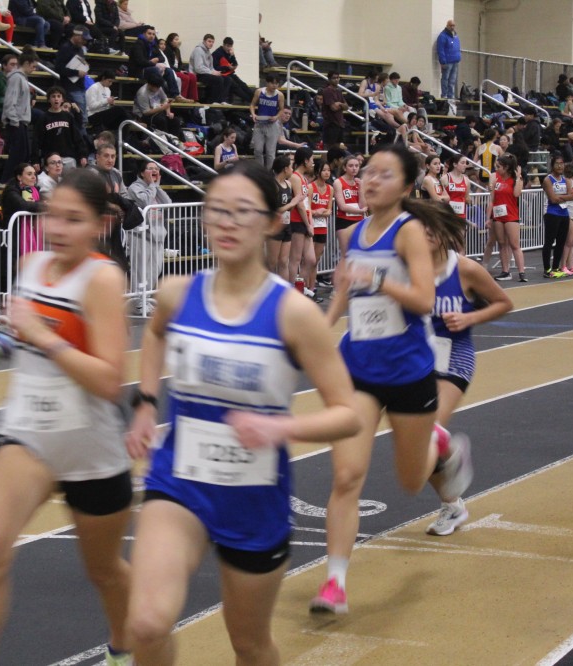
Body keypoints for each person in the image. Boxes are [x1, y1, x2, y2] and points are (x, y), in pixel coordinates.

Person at [124, 159, 360, 664]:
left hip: (253, 497)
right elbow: (156, 334)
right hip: (180, 479)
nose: (227, 223)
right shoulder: (178, 292)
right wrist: (145, 403)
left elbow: (348, 414)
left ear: (272, 222)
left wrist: (280, 426)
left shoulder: (293, 313)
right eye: (217, 211)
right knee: (145, 624)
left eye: (242, 211)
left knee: (249, 645)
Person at [0, 168, 133, 666]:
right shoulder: (30, 264)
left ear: (99, 224)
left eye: (74, 219)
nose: (57, 228)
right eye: (52, 215)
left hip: (89, 446)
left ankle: (124, 648)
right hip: (27, 431)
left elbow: (109, 381)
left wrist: (42, 335)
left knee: (104, 571)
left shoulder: (103, 279)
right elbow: (20, 335)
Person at [315, 144, 473, 614]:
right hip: (358, 367)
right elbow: (342, 295)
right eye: (368, 171)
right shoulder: (352, 234)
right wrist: (316, 335)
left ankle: (442, 449)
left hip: (407, 370)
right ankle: (334, 583)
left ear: (405, 186)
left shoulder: (409, 233)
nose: (371, 179)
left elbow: (424, 300)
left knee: (410, 480)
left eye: (384, 174)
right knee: (347, 475)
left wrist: (378, 280)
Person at [424, 201, 512, 536]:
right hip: (416, 360)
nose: (425, 233)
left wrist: (469, 317)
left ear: (446, 231)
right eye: (419, 227)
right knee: (417, 446)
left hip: (454, 358)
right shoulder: (406, 269)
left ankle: (452, 450)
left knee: (429, 430)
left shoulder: (465, 269)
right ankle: (452, 505)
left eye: (432, 227)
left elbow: (504, 302)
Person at [124, 161, 171, 296]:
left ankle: (146, 298)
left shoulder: (154, 187)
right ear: (141, 173)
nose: (154, 171)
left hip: (157, 235)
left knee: (155, 270)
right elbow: (145, 201)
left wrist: (156, 186)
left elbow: (168, 203)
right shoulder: (134, 187)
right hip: (141, 235)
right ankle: (138, 301)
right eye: (150, 169)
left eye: (156, 169)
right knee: (140, 271)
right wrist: (152, 186)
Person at [487, 154, 526, 282]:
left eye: (499, 167)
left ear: (506, 167)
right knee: (502, 244)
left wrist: (519, 177)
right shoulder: (495, 178)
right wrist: (489, 217)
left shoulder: (515, 179)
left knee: (514, 244)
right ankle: (505, 271)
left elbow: (516, 193)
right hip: (498, 215)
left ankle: (521, 272)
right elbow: (492, 198)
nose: (496, 169)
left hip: (511, 215)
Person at [1, 49, 38, 182]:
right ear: (26, 63)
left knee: (23, 154)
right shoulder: (16, 78)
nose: (34, 69)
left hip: (20, 121)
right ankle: (6, 181)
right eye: (33, 66)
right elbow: (10, 101)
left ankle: (16, 180)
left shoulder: (21, 78)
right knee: (17, 154)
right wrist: (14, 121)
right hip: (16, 121)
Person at [36, 86, 90, 170]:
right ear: (49, 99)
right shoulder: (43, 118)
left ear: (62, 99)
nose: (56, 99)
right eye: (53, 96)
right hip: (50, 158)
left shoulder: (68, 117)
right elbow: (36, 141)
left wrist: (83, 155)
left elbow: (78, 138)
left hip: (68, 157)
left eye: (58, 96)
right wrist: (35, 160)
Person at [540, 153, 573, 279]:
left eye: (561, 163)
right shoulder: (548, 180)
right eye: (557, 164)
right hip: (551, 213)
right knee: (549, 241)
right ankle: (547, 269)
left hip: (564, 213)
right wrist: (565, 197)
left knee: (561, 242)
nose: (560, 166)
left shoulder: (566, 180)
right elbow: (553, 199)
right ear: (552, 165)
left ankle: (556, 267)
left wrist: (560, 197)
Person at [266, 154, 299, 282]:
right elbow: (274, 210)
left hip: (286, 224)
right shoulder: (273, 185)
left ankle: (284, 290)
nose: (292, 169)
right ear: (285, 169)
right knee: (272, 263)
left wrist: (295, 203)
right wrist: (292, 203)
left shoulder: (288, 184)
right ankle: (267, 289)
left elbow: (289, 208)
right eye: (291, 167)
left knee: (284, 261)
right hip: (275, 225)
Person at [287, 146, 315, 295]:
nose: (313, 163)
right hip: (297, 221)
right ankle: (292, 290)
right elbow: (299, 204)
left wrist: (310, 222)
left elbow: (307, 203)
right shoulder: (295, 177)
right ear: (305, 161)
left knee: (310, 259)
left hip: (305, 221)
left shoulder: (303, 178)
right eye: (311, 160)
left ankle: (300, 286)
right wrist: (307, 224)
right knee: (295, 259)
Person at [1, 163, 43, 257]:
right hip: (14, 234)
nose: (34, 177)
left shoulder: (35, 190)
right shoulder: (11, 191)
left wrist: (39, 204)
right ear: (19, 177)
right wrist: (42, 205)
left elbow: (39, 204)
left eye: (34, 174)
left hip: (31, 231)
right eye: (29, 174)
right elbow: (24, 206)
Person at [333, 154, 366, 272]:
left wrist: (361, 188)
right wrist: (360, 211)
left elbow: (363, 205)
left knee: (358, 254)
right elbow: (342, 206)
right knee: (346, 254)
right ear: (344, 167)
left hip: (358, 221)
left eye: (356, 166)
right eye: (351, 166)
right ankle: (341, 281)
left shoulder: (359, 183)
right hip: (344, 221)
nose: (354, 168)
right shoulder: (339, 182)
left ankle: (355, 279)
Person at [308, 158, 333, 299]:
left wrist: (323, 212)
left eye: (328, 170)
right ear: (318, 171)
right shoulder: (311, 187)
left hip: (322, 226)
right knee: (309, 260)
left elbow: (329, 210)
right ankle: (306, 287)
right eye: (324, 170)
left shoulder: (330, 189)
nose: (327, 173)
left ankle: (312, 288)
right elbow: (306, 209)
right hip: (311, 227)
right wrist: (315, 212)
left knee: (316, 260)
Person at [132, 74, 182, 141]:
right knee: (161, 121)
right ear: (150, 85)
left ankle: (174, 140)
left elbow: (165, 100)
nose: (158, 89)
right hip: (143, 116)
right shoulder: (142, 93)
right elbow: (146, 112)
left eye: (159, 87)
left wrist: (168, 112)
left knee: (175, 121)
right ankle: (165, 141)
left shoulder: (158, 87)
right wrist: (162, 108)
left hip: (158, 112)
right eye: (156, 87)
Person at [250, 74, 284, 170]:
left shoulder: (280, 95)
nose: (274, 86)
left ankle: (269, 173)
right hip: (260, 123)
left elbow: (281, 109)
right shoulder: (259, 92)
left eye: (277, 83)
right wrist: (253, 114)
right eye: (272, 83)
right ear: (267, 83)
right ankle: (260, 171)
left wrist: (276, 117)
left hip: (272, 125)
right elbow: (252, 105)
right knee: (258, 150)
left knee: (270, 152)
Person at [188, 34, 230, 105]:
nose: (211, 43)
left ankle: (222, 100)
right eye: (209, 41)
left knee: (227, 79)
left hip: (206, 73)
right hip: (197, 75)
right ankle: (212, 101)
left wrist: (216, 72)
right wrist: (212, 72)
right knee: (218, 79)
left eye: (212, 42)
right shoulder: (198, 50)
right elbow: (198, 68)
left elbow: (211, 67)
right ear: (204, 41)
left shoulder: (208, 52)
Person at [86, 69, 130, 134]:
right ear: (103, 78)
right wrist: (106, 101)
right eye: (109, 81)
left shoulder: (108, 90)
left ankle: (123, 138)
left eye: (112, 82)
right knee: (119, 109)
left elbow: (106, 106)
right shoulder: (94, 88)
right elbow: (91, 106)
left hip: (103, 114)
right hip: (92, 115)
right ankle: (130, 119)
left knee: (122, 119)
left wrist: (111, 104)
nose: (110, 84)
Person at [212, 37, 253, 103]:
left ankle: (254, 98)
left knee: (243, 84)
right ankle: (252, 101)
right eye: (227, 46)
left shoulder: (229, 53)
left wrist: (233, 56)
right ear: (223, 45)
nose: (229, 48)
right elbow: (215, 68)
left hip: (230, 73)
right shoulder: (217, 53)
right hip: (223, 75)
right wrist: (227, 67)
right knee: (237, 87)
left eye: (230, 46)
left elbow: (235, 63)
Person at [163, 33, 198, 103]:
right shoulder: (167, 49)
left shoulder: (177, 50)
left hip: (178, 70)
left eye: (178, 39)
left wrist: (182, 69)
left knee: (192, 76)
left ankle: (193, 98)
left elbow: (180, 63)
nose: (178, 41)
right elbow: (169, 65)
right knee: (185, 78)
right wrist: (179, 70)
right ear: (170, 41)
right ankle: (182, 97)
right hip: (172, 70)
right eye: (176, 39)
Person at [321, 71, 348, 152]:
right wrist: (341, 105)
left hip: (339, 124)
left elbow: (346, 107)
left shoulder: (339, 91)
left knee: (338, 148)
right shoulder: (327, 91)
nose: (336, 80)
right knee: (328, 149)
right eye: (334, 78)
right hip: (330, 124)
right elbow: (333, 108)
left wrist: (339, 103)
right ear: (329, 79)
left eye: (338, 78)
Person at [436, 18, 460, 100]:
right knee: (445, 79)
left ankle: (450, 96)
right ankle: (444, 95)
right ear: (447, 26)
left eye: (453, 25)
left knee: (452, 80)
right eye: (451, 25)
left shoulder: (455, 35)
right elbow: (440, 49)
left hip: (455, 61)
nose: (452, 27)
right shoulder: (443, 36)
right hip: (447, 61)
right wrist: (442, 61)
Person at [442, 154, 471, 221]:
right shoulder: (445, 178)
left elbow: (467, 198)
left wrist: (469, 200)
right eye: (462, 163)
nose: (465, 165)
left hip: (461, 216)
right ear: (455, 164)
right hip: (448, 216)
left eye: (466, 163)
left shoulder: (466, 180)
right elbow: (440, 198)